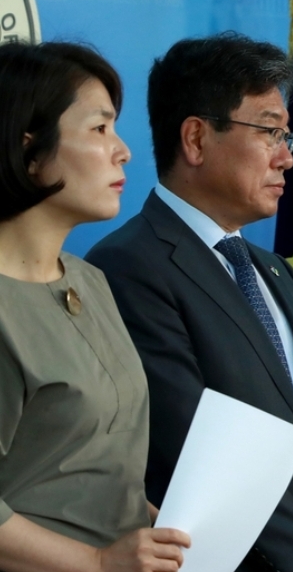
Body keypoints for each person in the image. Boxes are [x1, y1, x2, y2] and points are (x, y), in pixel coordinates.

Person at [85, 33, 293, 572]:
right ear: (196, 139)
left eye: (287, 136)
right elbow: (191, 451)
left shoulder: (275, 270)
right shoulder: (128, 267)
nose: (287, 158)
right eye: (270, 132)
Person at [0, 42, 190, 571]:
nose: (123, 151)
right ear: (29, 148)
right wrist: (98, 561)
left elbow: (79, 467)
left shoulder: (91, 281)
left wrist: (149, 527)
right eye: (100, 128)